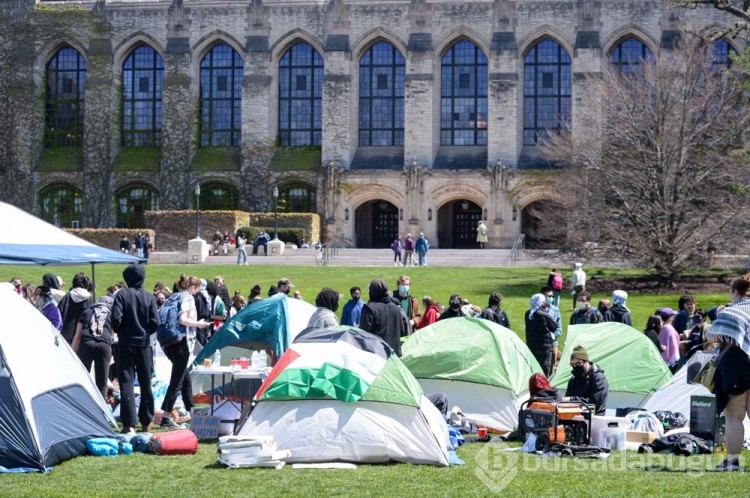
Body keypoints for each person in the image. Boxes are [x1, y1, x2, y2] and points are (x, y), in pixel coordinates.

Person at [705, 274, 750, 471]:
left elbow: (712, 335)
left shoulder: (731, 312)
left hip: (736, 367)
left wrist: (715, 319)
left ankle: (732, 462)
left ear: (735, 292)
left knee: (734, 416)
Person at [110, 264, 159, 434]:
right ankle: (146, 422)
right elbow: (155, 323)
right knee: (146, 383)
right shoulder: (149, 297)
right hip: (144, 344)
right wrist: (144, 331)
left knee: (126, 382)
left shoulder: (121, 295)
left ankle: (129, 423)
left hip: (125, 343)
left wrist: (122, 331)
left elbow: (115, 320)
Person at [160, 275, 211, 429]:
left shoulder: (173, 297)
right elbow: (183, 319)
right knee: (177, 381)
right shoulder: (188, 297)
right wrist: (199, 324)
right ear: (193, 287)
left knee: (185, 378)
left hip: (167, 342)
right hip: (181, 342)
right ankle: (166, 417)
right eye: (198, 289)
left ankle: (193, 412)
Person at [72, 296, 114, 399]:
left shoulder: (87, 311)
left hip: (86, 343)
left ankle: (80, 401)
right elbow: (112, 334)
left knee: (82, 377)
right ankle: (102, 408)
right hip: (104, 345)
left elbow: (77, 336)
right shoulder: (111, 314)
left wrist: (72, 352)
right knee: (102, 381)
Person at [359, 279, 407, 356]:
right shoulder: (396, 308)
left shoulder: (369, 308)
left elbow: (363, 333)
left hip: (377, 355)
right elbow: (402, 331)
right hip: (394, 355)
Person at [564, 345, 609, 415]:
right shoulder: (573, 380)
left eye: (578, 363)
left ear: (586, 361)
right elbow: (566, 401)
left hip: (594, 418)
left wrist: (572, 400)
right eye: (573, 364)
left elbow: (594, 404)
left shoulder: (599, 379)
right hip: (574, 417)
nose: (576, 367)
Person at [525, 293, 558, 376]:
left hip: (531, 346)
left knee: (533, 370)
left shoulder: (528, 314)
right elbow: (554, 327)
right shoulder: (544, 315)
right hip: (544, 347)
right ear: (542, 303)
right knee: (544, 369)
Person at [58, 272, 95, 345]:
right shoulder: (90, 300)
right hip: (82, 338)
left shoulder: (67, 297)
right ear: (86, 284)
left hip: (65, 336)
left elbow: (58, 314)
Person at [541, 287, 563, 373]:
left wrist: (552, 336)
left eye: (552, 296)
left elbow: (559, 328)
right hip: (540, 346)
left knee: (551, 371)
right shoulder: (536, 311)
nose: (551, 298)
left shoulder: (555, 310)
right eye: (549, 296)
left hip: (552, 344)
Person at [658, 307, 680, 373]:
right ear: (670, 317)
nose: (673, 317)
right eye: (672, 315)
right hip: (671, 361)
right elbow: (672, 344)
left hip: (665, 358)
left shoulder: (662, 327)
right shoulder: (669, 329)